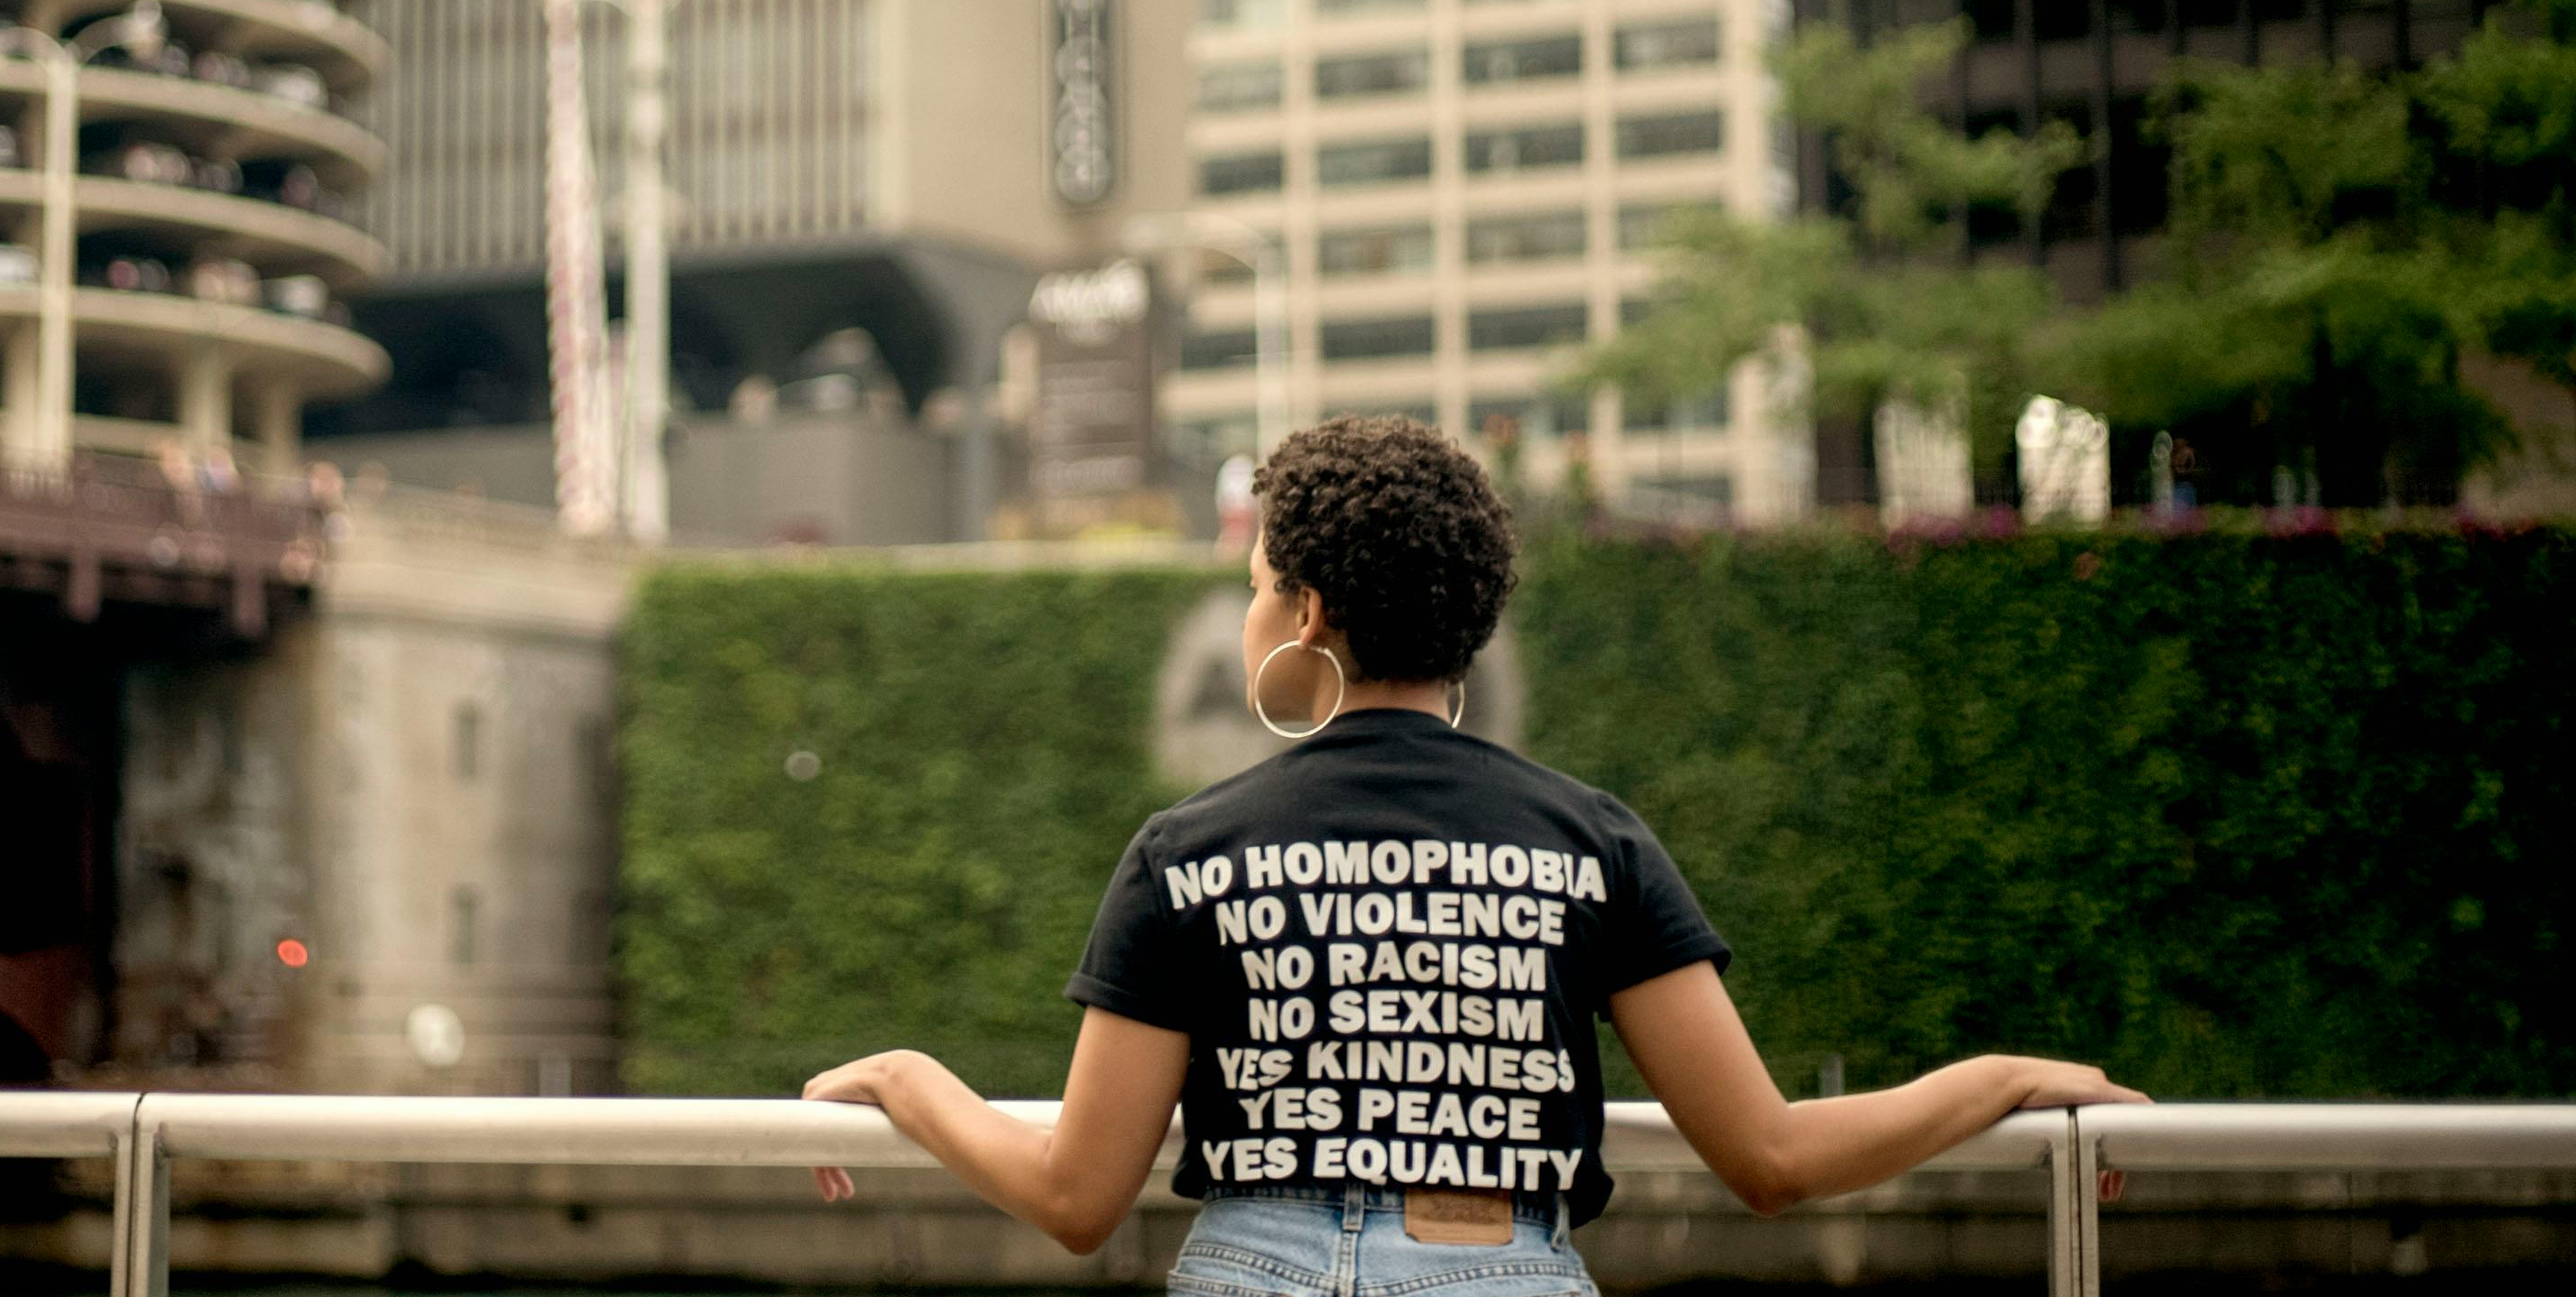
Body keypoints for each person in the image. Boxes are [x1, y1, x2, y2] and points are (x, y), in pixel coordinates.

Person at [799, 415, 2140, 1286]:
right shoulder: (1592, 841)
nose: (1253, 601)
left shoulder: (1185, 852)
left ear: (1310, 609)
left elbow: (1079, 1193)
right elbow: (1772, 1156)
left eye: (1263, 579)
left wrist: (908, 1074)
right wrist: (2005, 1075)